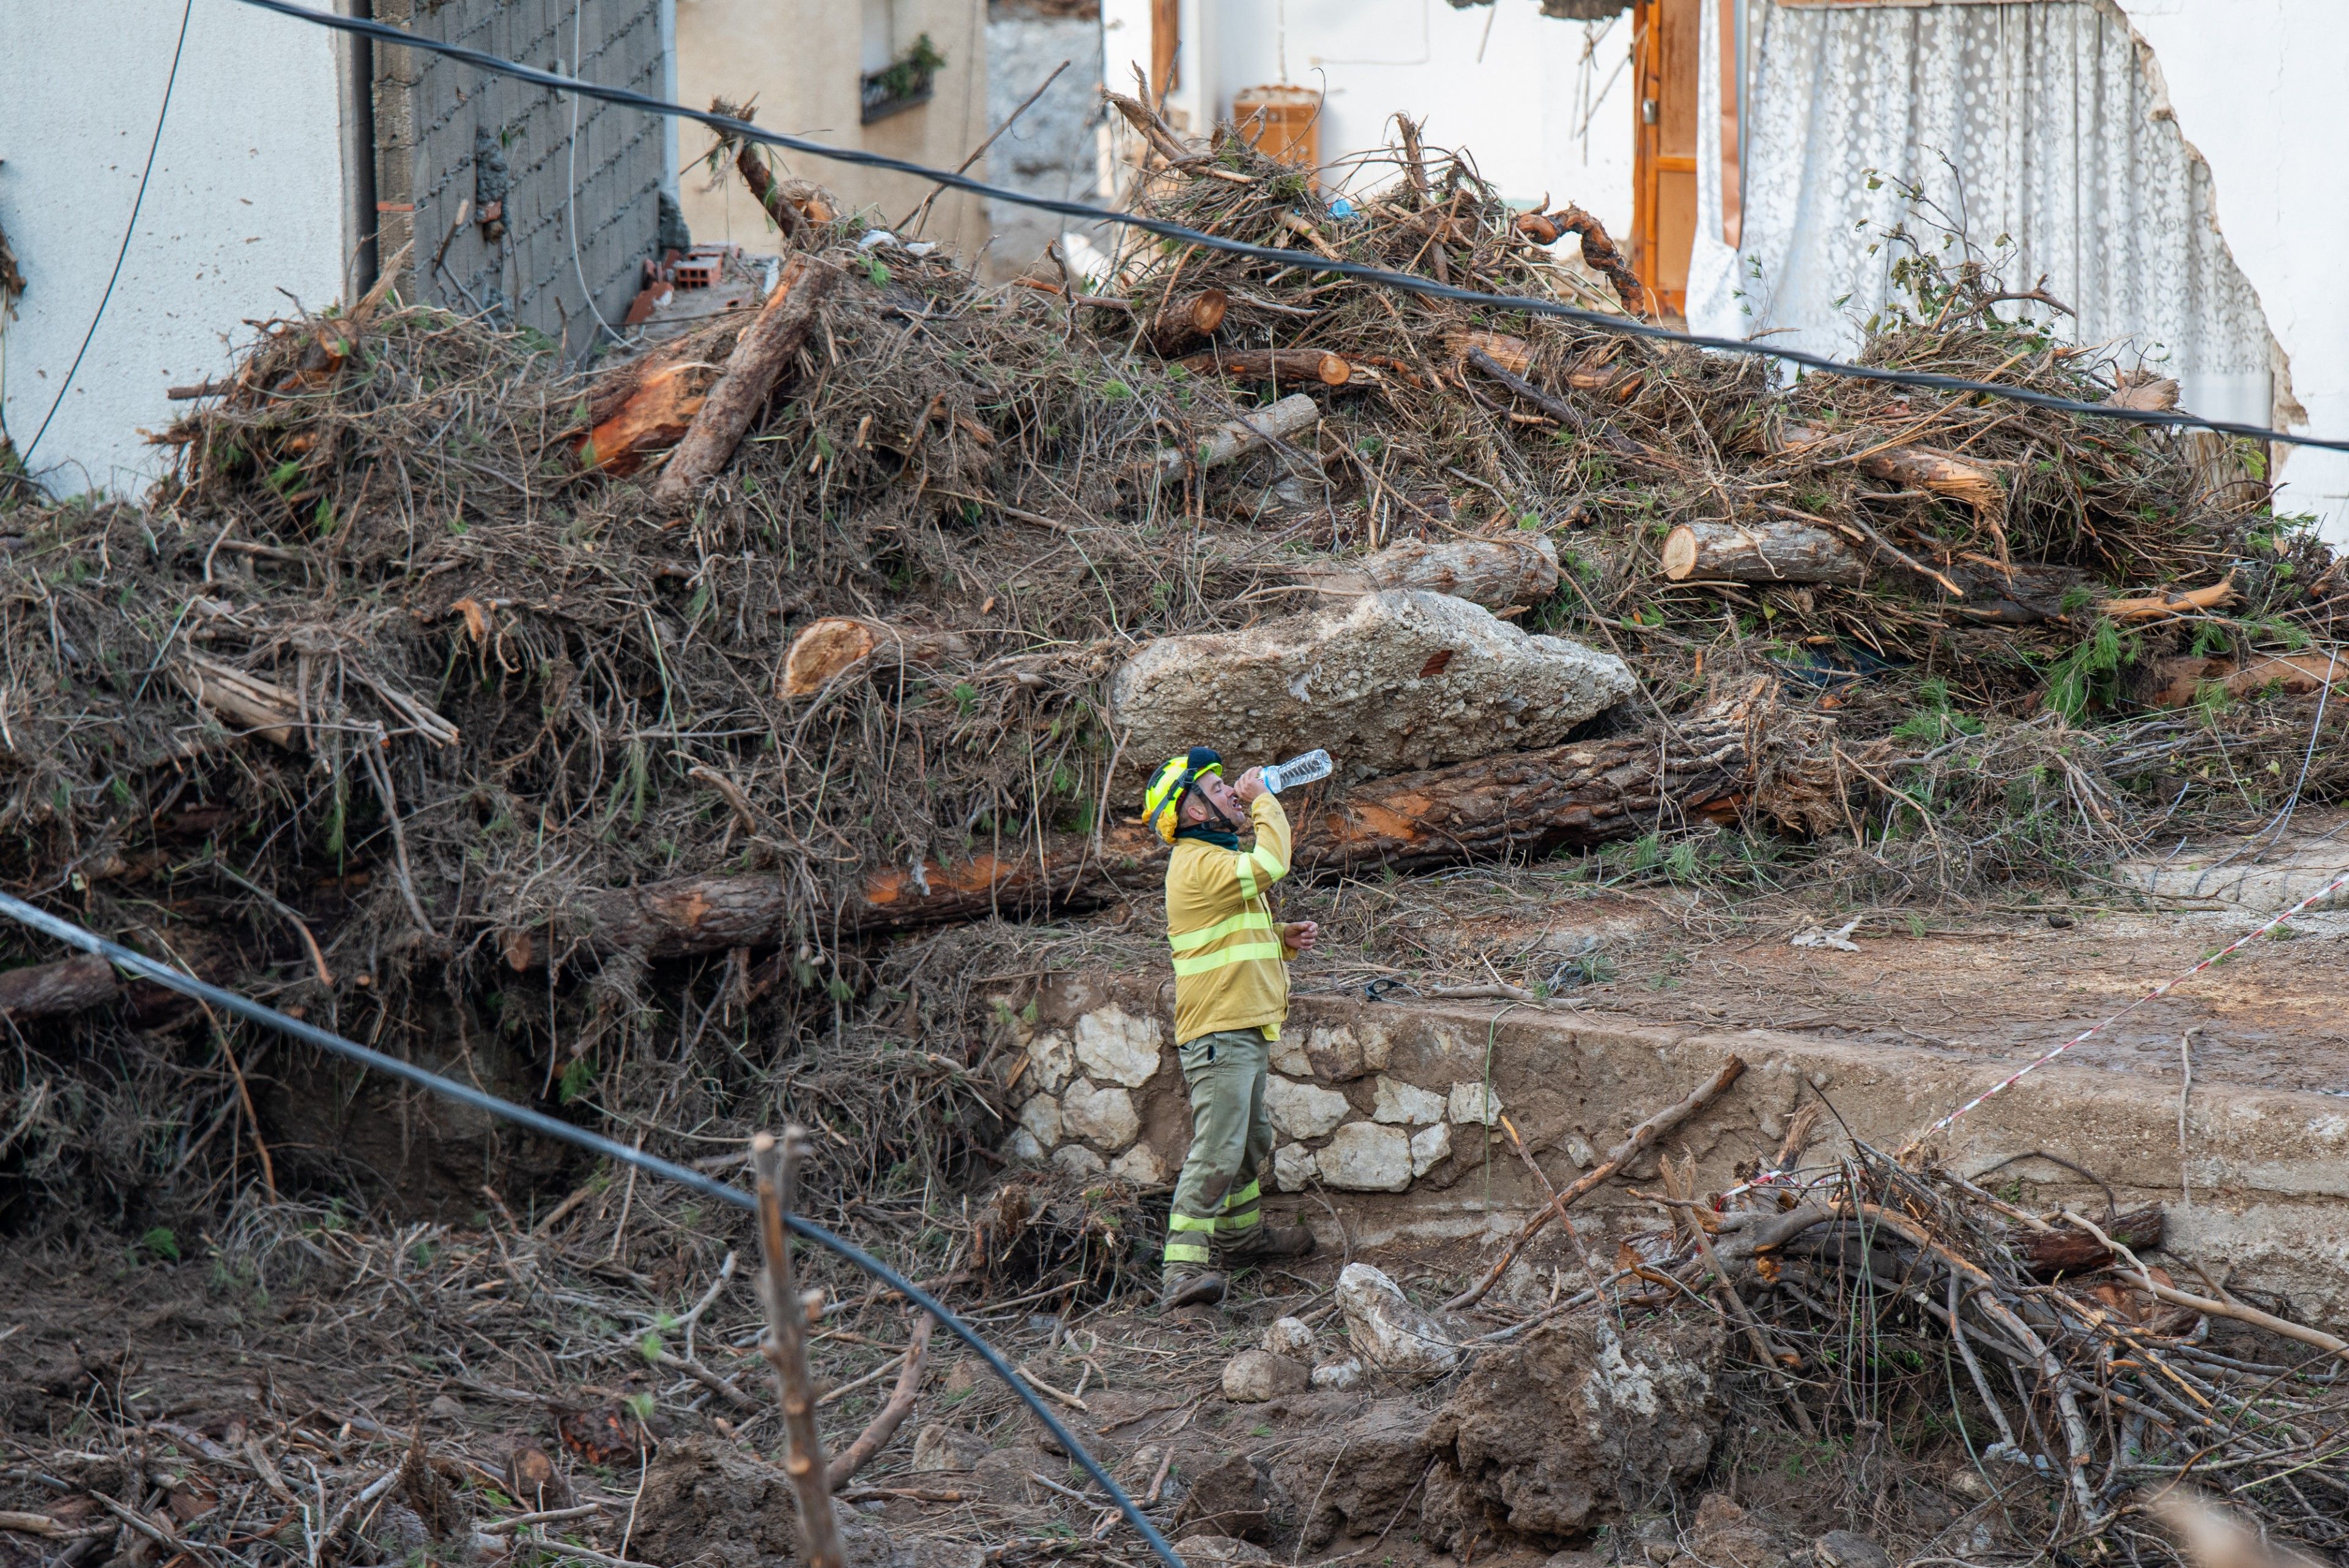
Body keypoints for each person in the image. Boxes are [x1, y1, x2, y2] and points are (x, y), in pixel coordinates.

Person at [1141, 746, 1321, 1310]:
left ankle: (1242, 1238)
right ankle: (1181, 1273)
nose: (1230, 793)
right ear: (1194, 811)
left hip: (1239, 1027)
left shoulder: (1211, 860)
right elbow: (1271, 865)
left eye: (1228, 786)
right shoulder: (1197, 862)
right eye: (1217, 788)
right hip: (1220, 1033)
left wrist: (1279, 941)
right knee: (1218, 1151)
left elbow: (1225, 939)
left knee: (1250, 1140)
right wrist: (1265, 801)